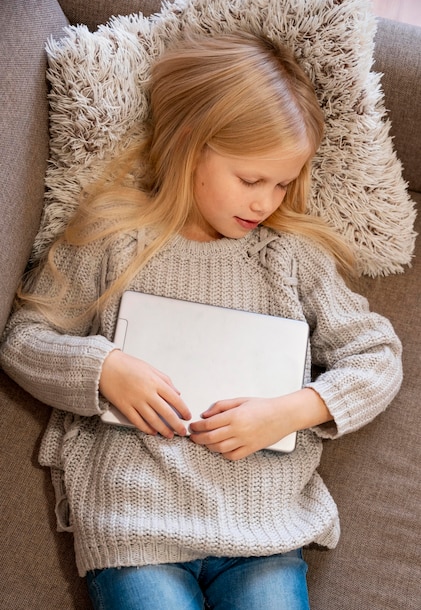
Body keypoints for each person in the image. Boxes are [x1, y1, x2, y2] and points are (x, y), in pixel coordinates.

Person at [0, 32, 402, 610]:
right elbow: (22, 340)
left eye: (283, 183)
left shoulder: (289, 256)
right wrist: (103, 368)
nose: (266, 202)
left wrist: (290, 411)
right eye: (250, 179)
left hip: (262, 534)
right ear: (190, 146)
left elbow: (378, 355)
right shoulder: (111, 236)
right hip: (135, 527)